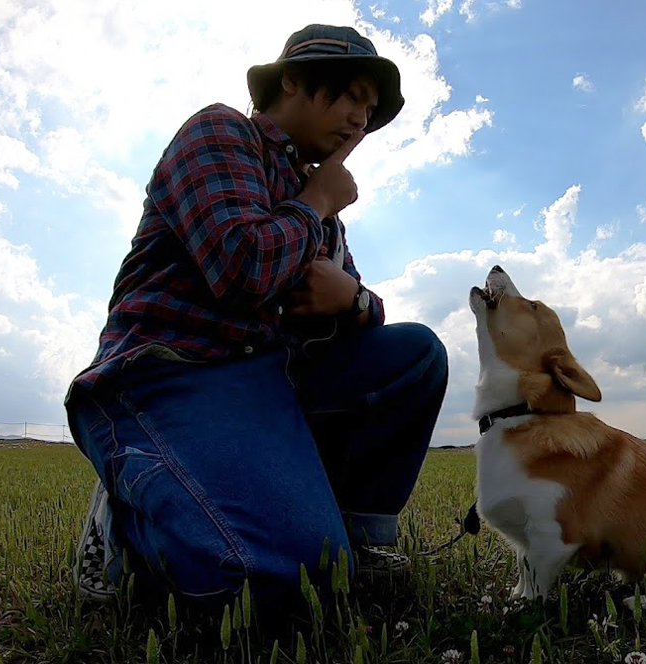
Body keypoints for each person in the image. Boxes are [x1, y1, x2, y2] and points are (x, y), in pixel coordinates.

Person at [65, 24, 448, 613]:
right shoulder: (220, 133)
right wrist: (317, 202)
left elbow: (347, 303)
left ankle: (356, 544)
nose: (359, 122)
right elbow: (242, 268)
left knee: (415, 355)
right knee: (271, 579)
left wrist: (353, 300)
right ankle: (125, 526)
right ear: (291, 79)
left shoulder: (312, 196)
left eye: (369, 112)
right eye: (349, 96)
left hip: (268, 384)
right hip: (170, 375)